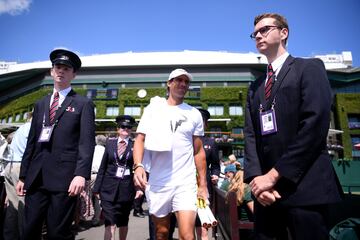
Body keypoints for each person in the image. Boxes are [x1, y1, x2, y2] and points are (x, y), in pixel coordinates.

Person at [244, 13, 343, 239]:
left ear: (284, 32)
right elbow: (250, 136)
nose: (258, 35)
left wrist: (274, 176)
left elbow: (314, 125)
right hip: (266, 195)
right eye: (255, 33)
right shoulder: (255, 87)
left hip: (305, 189)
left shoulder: (309, 68)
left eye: (265, 29)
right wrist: (256, 182)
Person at [16, 49, 96, 240]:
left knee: (57, 233)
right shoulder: (41, 104)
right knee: (28, 230)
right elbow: (32, 142)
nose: (61, 71)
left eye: (66, 68)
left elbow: (87, 143)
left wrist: (80, 175)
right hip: (36, 178)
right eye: (58, 67)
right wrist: (23, 175)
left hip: (65, 180)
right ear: (52, 71)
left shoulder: (83, 104)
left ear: (73, 74)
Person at [133, 68, 207, 240]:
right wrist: (138, 166)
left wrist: (202, 185)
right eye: (178, 80)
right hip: (159, 182)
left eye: (186, 81)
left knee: (187, 236)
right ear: (169, 83)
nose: (182, 84)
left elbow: (198, 151)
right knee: (162, 233)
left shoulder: (194, 114)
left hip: (185, 183)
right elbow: (139, 140)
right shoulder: (152, 110)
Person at [93, 115, 142, 240]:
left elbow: (139, 168)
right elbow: (102, 168)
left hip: (126, 190)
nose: (125, 129)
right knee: (110, 221)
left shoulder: (135, 145)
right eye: (122, 126)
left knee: (123, 221)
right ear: (118, 128)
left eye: (128, 127)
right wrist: (96, 189)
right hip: (108, 190)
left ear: (131, 129)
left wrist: (139, 188)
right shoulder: (109, 143)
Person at [3, 112, 32, 240]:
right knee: (23, 206)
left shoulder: (22, 127)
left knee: (13, 207)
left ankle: (9, 236)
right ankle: (23, 236)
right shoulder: (33, 128)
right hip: (21, 168)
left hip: (10, 166)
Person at [195, 108, 220, 240]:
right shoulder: (184, 140)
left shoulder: (210, 142)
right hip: (185, 186)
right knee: (187, 225)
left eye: (202, 122)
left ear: (205, 124)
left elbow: (215, 165)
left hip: (204, 187)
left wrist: (215, 174)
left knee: (203, 223)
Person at [89, 134, 106, 226]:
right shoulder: (105, 151)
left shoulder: (91, 149)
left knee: (87, 197)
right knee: (97, 198)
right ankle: (96, 218)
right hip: (100, 176)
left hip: (89, 175)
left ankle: (85, 216)